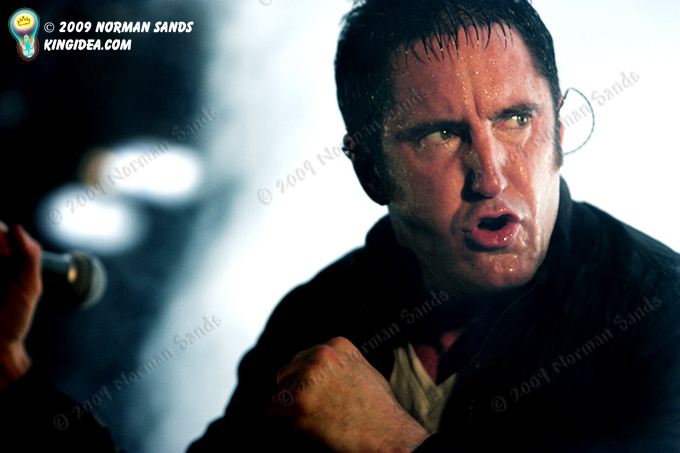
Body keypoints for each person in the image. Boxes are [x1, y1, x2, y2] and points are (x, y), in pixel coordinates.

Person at [1, 0, 679, 451]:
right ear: (369, 169)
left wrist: (390, 443)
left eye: (517, 119)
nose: (492, 175)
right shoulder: (318, 319)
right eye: (441, 134)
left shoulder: (657, 318)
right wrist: (11, 370)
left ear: (558, 125)